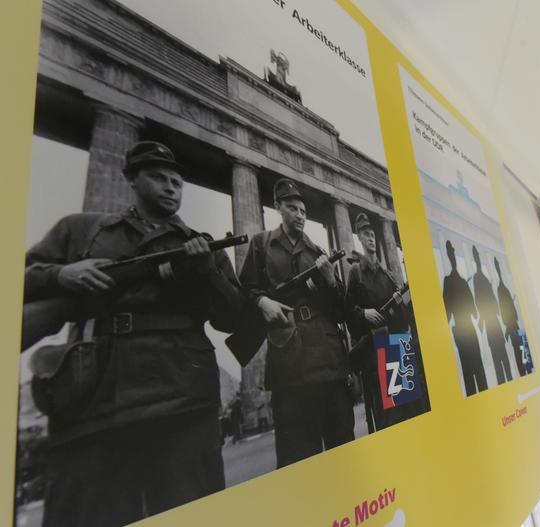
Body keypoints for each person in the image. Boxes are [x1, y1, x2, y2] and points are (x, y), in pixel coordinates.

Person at [24, 141, 242, 526]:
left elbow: (233, 317)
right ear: (131, 178)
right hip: (95, 402)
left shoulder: (201, 244)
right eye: (159, 177)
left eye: (177, 181)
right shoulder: (81, 230)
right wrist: (62, 274)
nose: (171, 187)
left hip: (182, 401)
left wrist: (206, 271)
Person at [237, 178, 354, 467]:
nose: (300, 214)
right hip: (290, 364)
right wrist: (260, 301)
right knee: (298, 458)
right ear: (278, 207)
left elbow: (341, 311)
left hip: (328, 362)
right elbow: (243, 291)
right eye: (292, 208)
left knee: (344, 456)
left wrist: (329, 279)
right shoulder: (261, 245)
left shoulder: (318, 253)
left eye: (303, 210)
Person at [345, 213, 424, 431]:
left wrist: (403, 301)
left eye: (373, 235)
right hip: (376, 351)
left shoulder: (388, 275)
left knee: (410, 414)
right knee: (391, 421)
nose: (371, 239)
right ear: (359, 237)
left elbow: (402, 315)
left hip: (397, 345)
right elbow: (348, 313)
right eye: (366, 235)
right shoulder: (356, 273)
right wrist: (363, 314)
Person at [442, 240, 487, 395]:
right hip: (464, 329)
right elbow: (449, 313)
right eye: (451, 253)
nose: (453, 257)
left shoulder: (454, 281)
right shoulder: (455, 282)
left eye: (453, 253)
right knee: (473, 371)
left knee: (474, 371)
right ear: (449, 256)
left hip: (464, 330)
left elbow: (448, 313)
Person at [472, 246, 512, 385]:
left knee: (502, 358)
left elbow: (485, 302)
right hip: (491, 324)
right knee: (499, 358)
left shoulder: (481, 279)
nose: (477, 259)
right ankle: (505, 383)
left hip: (492, 323)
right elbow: (481, 302)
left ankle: (507, 382)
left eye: (477, 256)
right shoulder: (479, 279)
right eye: (475, 256)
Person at [494, 257, 527, 377]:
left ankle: (525, 372)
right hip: (513, 327)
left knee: (521, 353)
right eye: (497, 267)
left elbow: (509, 310)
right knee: (520, 353)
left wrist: (509, 327)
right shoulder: (501, 289)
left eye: (498, 266)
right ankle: (524, 373)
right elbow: (506, 311)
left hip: (514, 327)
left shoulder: (503, 290)